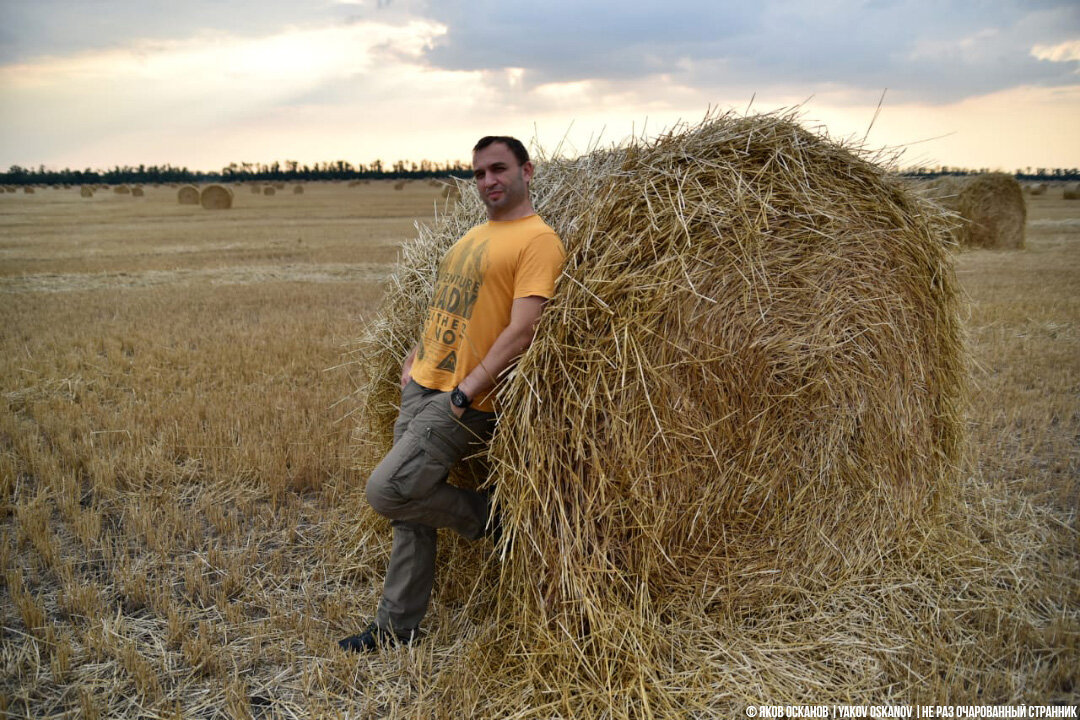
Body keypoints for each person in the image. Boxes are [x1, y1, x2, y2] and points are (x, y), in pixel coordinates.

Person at [339, 136, 566, 652]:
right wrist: (415, 354)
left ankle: (492, 519)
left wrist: (466, 392)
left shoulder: (538, 241)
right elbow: (448, 302)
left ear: (526, 171)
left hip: (465, 399)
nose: (488, 181)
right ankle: (398, 628)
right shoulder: (472, 237)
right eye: (480, 173)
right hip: (424, 387)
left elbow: (523, 329)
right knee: (408, 509)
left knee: (388, 489)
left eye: (499, 169)